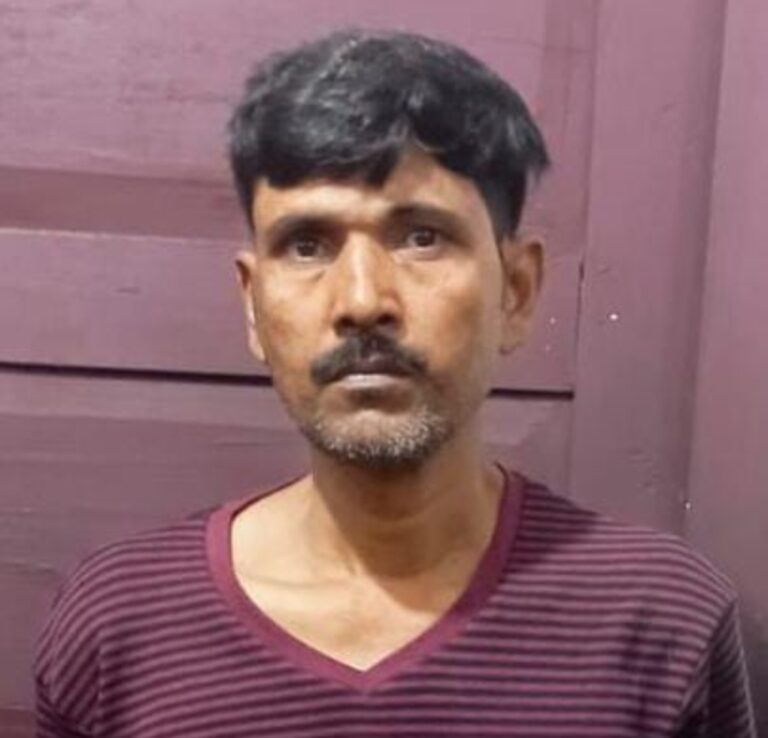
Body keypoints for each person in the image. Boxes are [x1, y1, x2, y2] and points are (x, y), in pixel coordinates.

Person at [34, 28, 756, 737]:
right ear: (253, 304)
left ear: (517, 291)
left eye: (421, 237)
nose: (361, 301)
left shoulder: (662, 622)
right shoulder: (119, 627)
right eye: (307, 245)